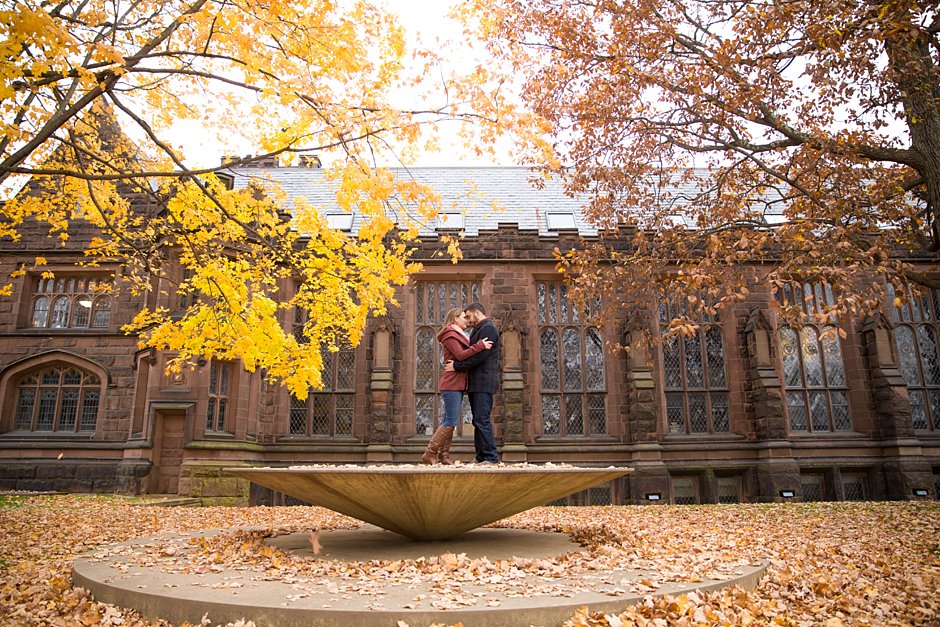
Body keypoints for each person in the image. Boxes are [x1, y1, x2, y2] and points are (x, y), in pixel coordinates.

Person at [421, 307, 493, 465]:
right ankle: (429, 452)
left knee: (449, 419)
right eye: (463, 317)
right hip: (452, 383)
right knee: (450, 422)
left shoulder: (458, 334)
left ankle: (443, 456)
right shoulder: (450, 335)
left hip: (458, 383)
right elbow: (460, 356)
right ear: (455, 319)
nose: (466, 320)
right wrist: (479, 345)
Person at [446, 302, 500, 464]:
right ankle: (481, 457)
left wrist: (457, 366)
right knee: (477, 420)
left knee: (482, 419)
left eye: (469, 316)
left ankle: (491, 458)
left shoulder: (489, 329)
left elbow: (480, 357)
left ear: (477, 312)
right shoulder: (479, 329)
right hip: (476, 383)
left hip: (484, 381)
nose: (468, 320)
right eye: (466, 318)